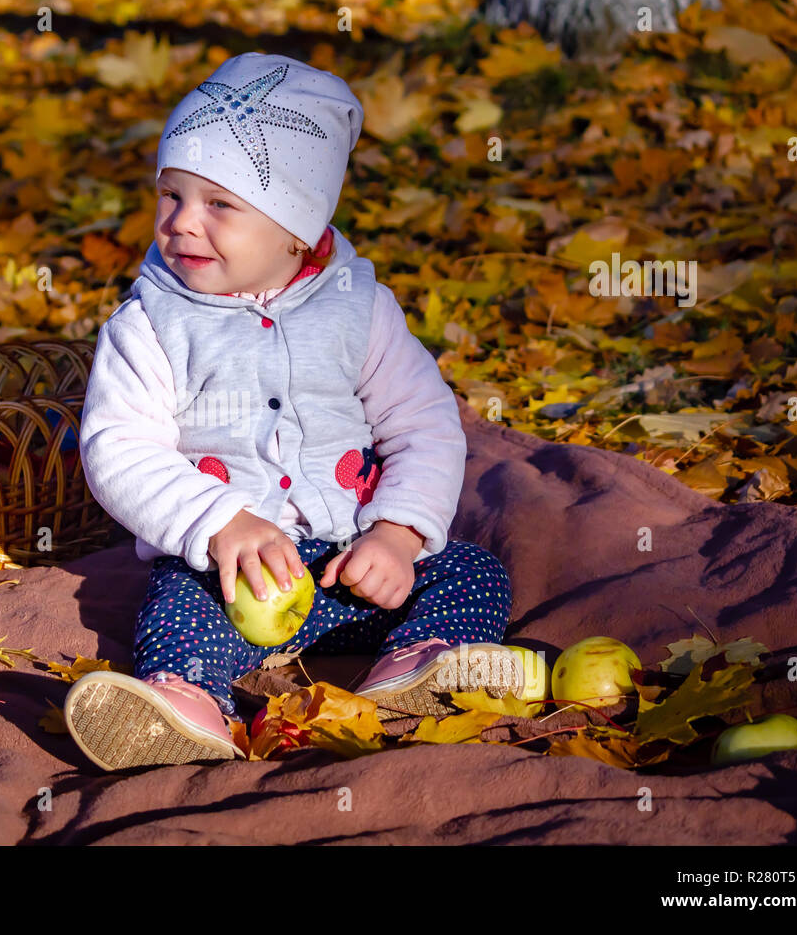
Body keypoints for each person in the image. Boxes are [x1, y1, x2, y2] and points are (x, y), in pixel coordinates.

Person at [65, 53, 519, 772]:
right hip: (228, 578)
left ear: (295, 230)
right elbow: (118, 447)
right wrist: (219, 524)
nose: (181, 223)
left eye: (219, 204)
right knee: (176, 608)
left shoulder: (359, 309)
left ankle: (417, 668)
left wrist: (398, 534)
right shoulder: (149, 322)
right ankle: (188, 702)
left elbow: (423, 423)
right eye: (170, 195)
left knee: (472, 573)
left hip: (352, 568)